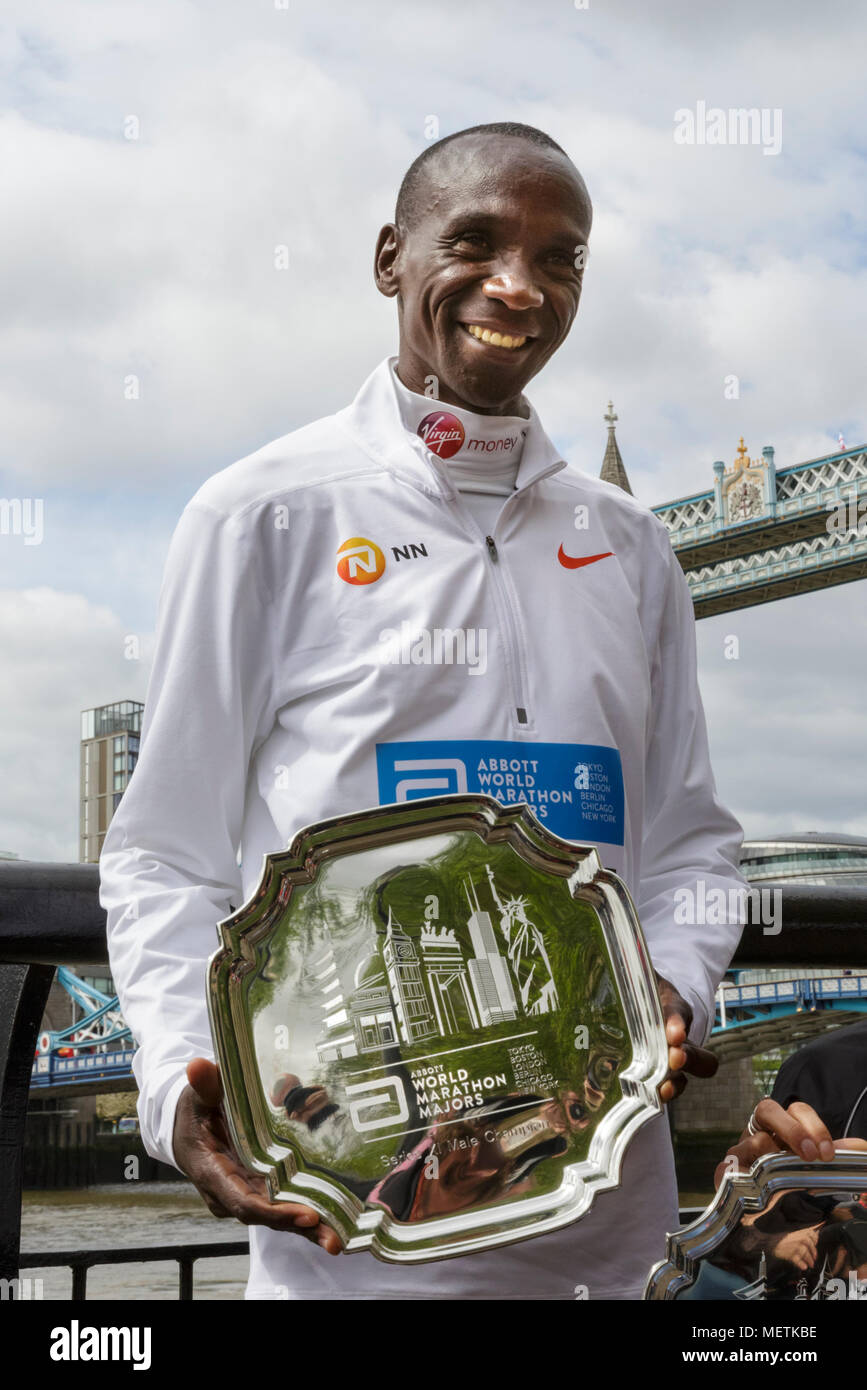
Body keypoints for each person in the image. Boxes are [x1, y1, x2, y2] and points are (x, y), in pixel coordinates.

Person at [100, 121, 747, 1300]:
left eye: (563, 260)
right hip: (356, 1233)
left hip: (612, 1220)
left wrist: (677, 985)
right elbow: (162, 851)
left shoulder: (637, 548)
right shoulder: (262, 515)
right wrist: (171, 1087)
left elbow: (696, 841)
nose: (520, 286)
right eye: (479, 243)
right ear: (391, 256)